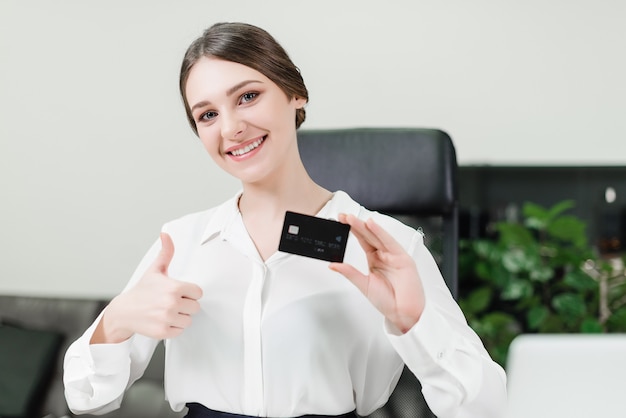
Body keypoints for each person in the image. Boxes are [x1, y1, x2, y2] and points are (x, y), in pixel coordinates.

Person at [63, 22, 507, 418]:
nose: (231, 127)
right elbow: (86, 399)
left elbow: (484, 409)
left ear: (296, 94)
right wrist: (116, 321)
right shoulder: (180, 243)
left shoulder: (389, 246)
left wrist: (414, 323)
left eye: (248, 96)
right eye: (208, 115)